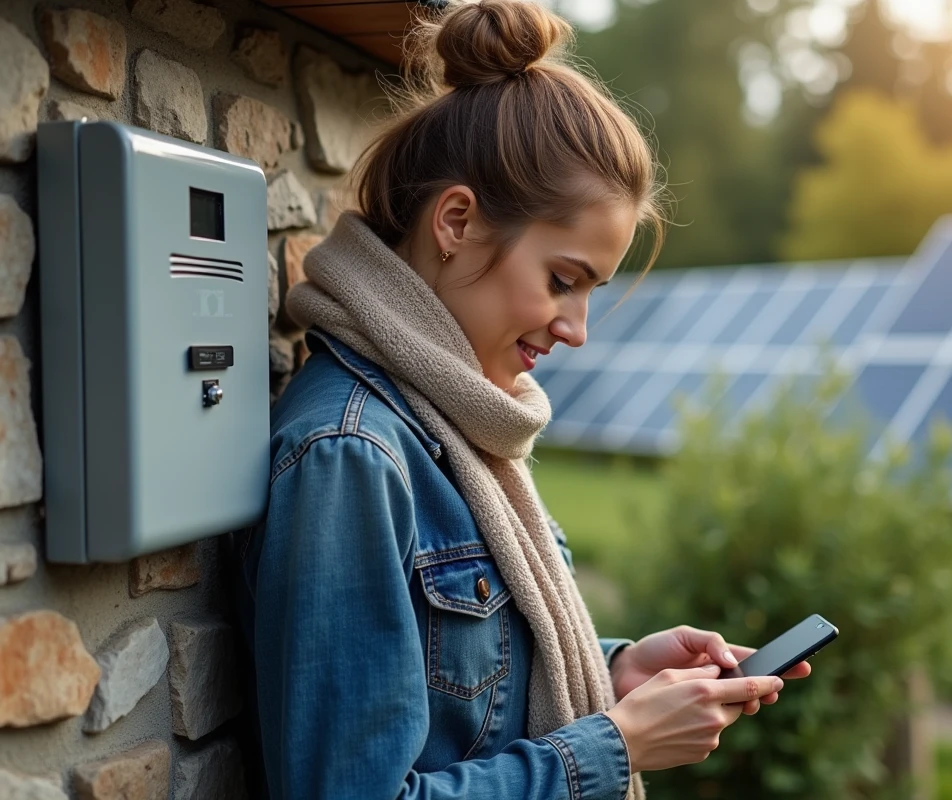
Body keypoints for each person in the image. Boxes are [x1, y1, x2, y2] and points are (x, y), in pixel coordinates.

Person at [232, 2, 811, 798]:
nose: (577, 330)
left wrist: (614, 670)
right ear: (456, 222)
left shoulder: (456, 419)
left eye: (591, 291)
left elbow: (461, 681)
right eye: (563, 280)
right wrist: (614, 746)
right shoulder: (350, 455)